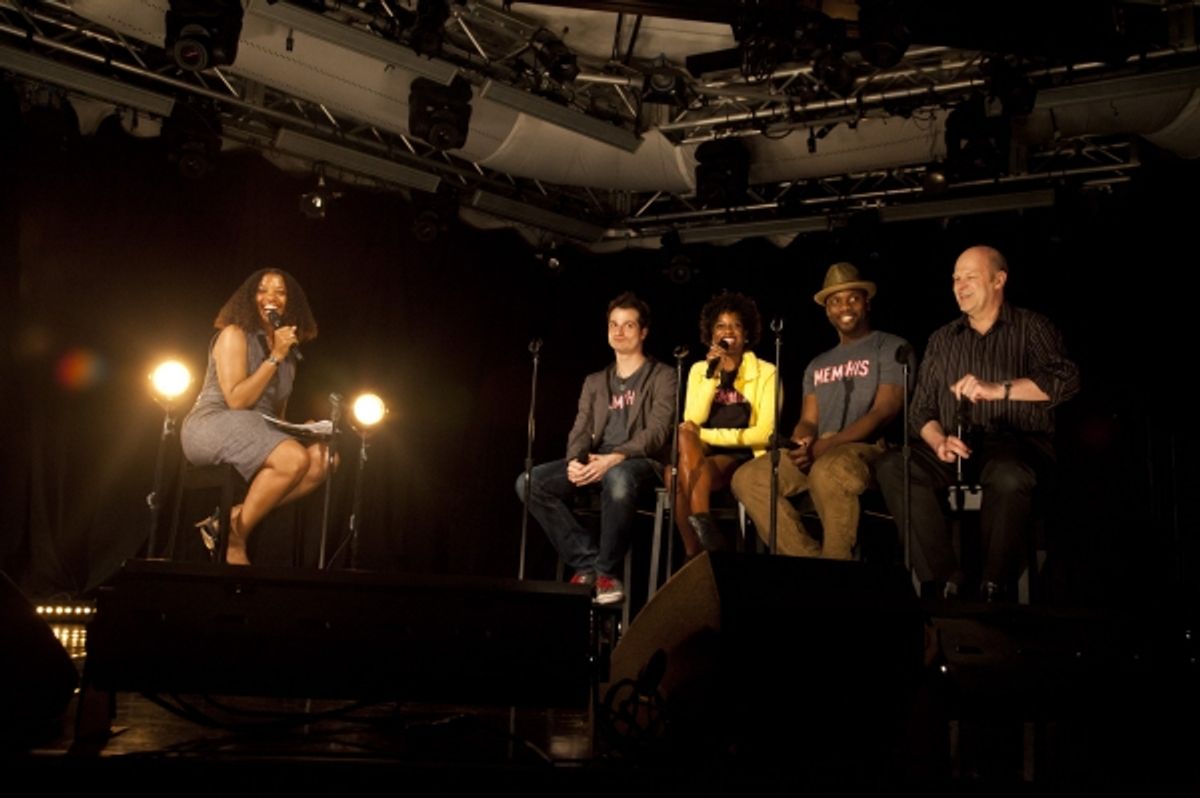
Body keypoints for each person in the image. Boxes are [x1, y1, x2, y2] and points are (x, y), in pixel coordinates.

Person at [875, 245, 1080, 600]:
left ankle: (994, 585)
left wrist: (996, 389)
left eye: (970, 276)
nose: (960, 285)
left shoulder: (1031, 326)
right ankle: (944, 580)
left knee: (1008, 475)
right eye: (955, 278)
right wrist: (938, 440)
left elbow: (1065, 381)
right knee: (895, 465)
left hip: (1018, 444)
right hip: (959, 445)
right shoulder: (942, 340)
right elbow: (920, 411)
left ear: (999, 280)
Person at [731, 262, 912, 559]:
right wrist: (802, 441)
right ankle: (812, 567)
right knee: (748, 478)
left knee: (828, 471)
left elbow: (884, 411)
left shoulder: (890, 346)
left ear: (867, 303)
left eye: (853, 298)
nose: (845, 306)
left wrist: (827, 446)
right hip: (820, 447)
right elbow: (808, 420)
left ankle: (836, 573)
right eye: (835, 301)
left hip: (868, 449)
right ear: (827, 311)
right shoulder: (817, 364)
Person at [516, 292, 676, 605]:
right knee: (528, 482)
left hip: (640, 462)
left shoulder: (663, 376)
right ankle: (586, 561)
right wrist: (575, 461)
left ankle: (605, 572)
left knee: (617, 479)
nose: (619, 331)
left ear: (643, 332)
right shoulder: (594, 382)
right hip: (597, 458)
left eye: (628, 325)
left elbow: (657, 433)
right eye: (613, 325)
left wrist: (615, 457)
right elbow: (580, 429)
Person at [181, 269, 329, 565]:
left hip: (255, 425)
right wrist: (274, 356)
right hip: (214, 423)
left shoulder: (286, 353)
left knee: (322, 459)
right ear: (250, 298)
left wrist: (301, 430)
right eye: (262, 290)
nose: (271, 297)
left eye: (280, 292)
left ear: (292, 303)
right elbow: (237, 400)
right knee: (292, 459)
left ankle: (231, 519)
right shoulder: (234, 335)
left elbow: (275, 414)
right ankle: (234, 538)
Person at [676, 291, 776, 557]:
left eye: (736, 325)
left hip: (745, 457)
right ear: (711, 335)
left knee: (679, 462)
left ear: (746, 335)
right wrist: (712, 375)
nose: (728, 330)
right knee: (678, 451)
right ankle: (700, 542)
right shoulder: (700, 370)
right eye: (721, 325)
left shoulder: (766, 372)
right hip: (704, 456)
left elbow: (765, 434)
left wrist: (706, 434)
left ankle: (695, 557)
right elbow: (692, 420)